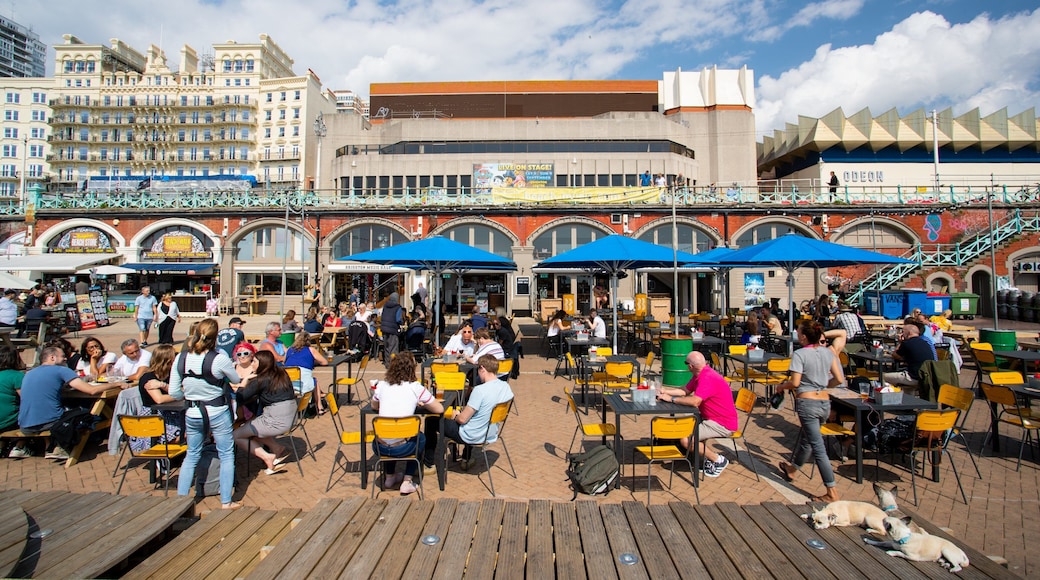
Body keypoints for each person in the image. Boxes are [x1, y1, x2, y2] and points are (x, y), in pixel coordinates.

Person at [170, 318, 243, 510]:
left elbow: (174, 392)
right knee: (226, 454)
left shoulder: (181, 357)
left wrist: (189, 394)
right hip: (217, 410)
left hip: (193, 411)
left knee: (191, 455)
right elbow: (235, 378)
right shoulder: (219, 358)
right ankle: (226, 501)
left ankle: (181, 500)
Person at [777, 320, 846, 502]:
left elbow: (796, 382)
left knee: (818, 447)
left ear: (804, 336)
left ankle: (832, 492)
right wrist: (823, 385)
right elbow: (838, 378)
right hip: (824, 402)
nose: (797, 335)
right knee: (809, 438)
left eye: (799, 332)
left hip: (808, 403)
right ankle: (792, 469)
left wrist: (782, 387)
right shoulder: (827, 352)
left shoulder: (800, 354)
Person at [18, 346, 111, 460]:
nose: (66, 359)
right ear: (52, 357)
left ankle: (51, 446)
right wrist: (116, 384)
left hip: (25, 425)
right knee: (84, 413)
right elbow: (91, 390)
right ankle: (62, 447)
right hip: (51, 422)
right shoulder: (60, 370)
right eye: (62, 356)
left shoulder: (29, 373)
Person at [424, 355, 513, 472]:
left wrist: (456, 415)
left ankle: (428, 464)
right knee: (474, 417)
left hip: (472, 434)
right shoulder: (506, 387)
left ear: (482, 369)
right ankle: (466, 458)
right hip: (490, 432)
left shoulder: (480, 390)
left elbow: (462, 420)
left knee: (431, 421)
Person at [371, 351, 443, 495]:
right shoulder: (415, 387)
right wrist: (420, 403)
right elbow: (439, 408)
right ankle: (407, 480)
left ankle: (390, 476)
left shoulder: (382, 386)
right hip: (404, 446)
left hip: (380, 447)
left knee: (390, 434)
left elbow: (374, 406)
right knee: (419, 437)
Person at [657, 351, 739, 477]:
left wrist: (671, 399)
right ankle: (696, 457)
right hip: (709, 417)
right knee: (682, 427)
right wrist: (665, 391)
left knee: (686, 440)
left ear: (690, 366)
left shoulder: (707, 378)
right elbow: (685, 391)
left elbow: (695, 401)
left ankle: (718, 460)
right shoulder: (700, 374)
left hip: (722, 423)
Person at [233, 350, 295, 474]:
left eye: (254, 361)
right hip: (291, 416)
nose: (252, 364)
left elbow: (240, 397)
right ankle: (277, 448)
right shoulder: (281, 373)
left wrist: (244, 381)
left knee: (236, 435)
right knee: (250, 427)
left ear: (261, 363)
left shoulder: (261, 379)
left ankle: (267, 457)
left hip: (275, 420)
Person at [135, 344, 184, 449]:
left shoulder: (171, 374)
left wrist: (163, 385)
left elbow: (184, 389)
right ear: (167, 361)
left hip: (173, 412)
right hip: (155, 416)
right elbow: (159, 399)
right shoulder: (148, 377)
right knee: (187, 432)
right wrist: (181, 395)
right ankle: (162, 455)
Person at [883, 318, 936, 389]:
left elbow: (895, 355)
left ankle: (887, 397)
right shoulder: (925, 343)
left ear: (909, 333)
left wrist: (900, 342)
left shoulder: (907, 343)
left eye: (903, 332)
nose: (902, 334)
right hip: (927, 377)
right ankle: (908, 396)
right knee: (906, 384)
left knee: (883, 376)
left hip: (913, 377)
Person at [284, 331, 328, 414]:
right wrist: (313, 362)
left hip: (288, 382)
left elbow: (284, 361)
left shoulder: (290, 349)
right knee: (315, 381)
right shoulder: (310, 349)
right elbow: (324, 362)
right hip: (303, 382)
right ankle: (319, 407)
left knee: (311, 380)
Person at [0, 346, 27, 457]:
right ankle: (21, 445)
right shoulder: (17, 376)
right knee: (30, 414)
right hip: (9, 421)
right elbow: (27, 399)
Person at [379, 292, 404, 364]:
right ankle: (393, 364)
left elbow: (382, 316)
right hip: (393, 329)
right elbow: (398, 319)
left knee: (386, 347)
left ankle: (387, 363)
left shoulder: (385, 306)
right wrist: (402, 323)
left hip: (384, 328)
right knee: (393, 347)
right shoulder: (398, 307)